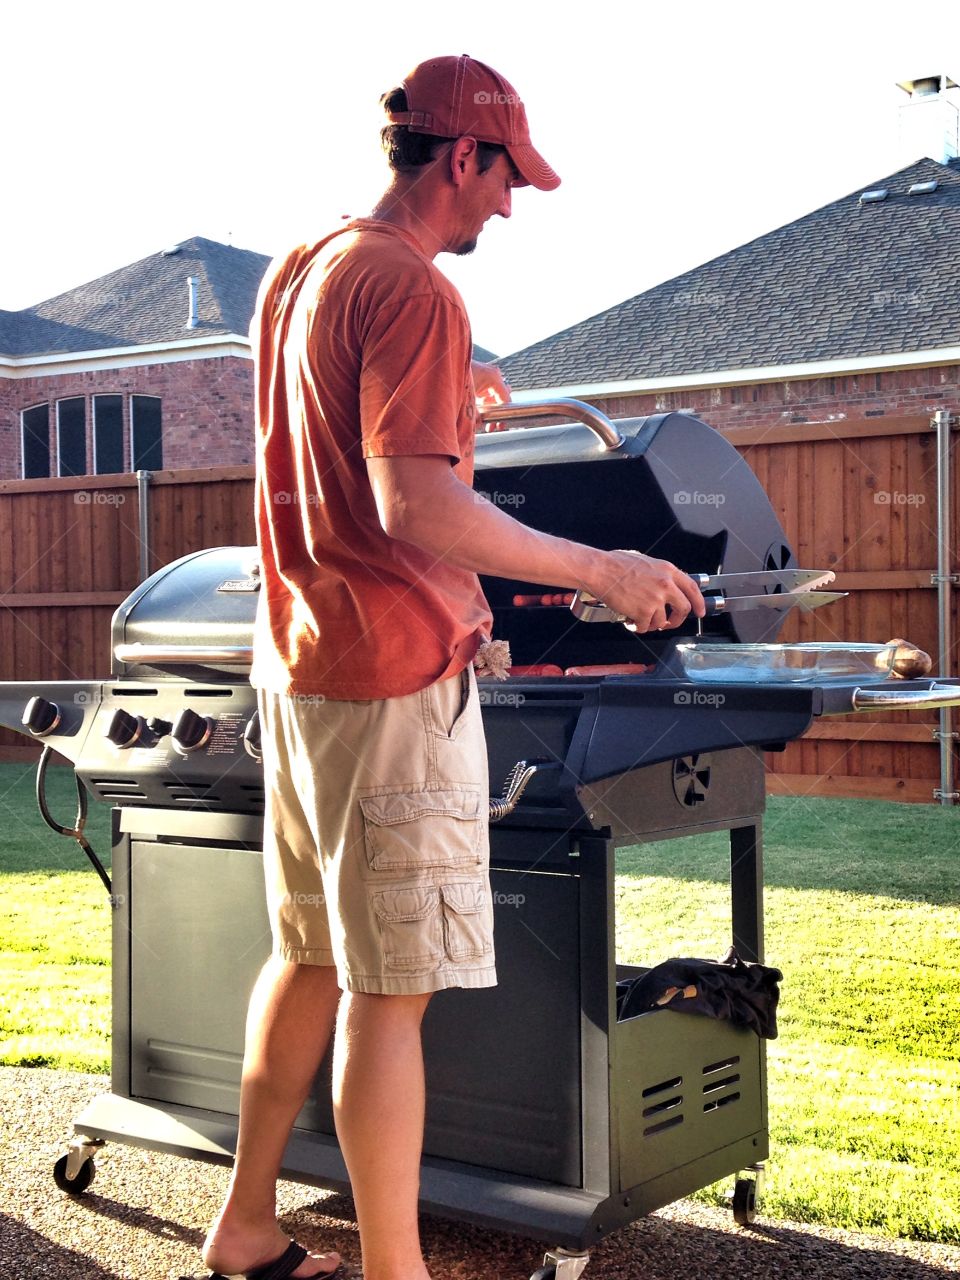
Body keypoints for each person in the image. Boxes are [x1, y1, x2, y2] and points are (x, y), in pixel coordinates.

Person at [197, 54, 704, 1280]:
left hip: (301, 668)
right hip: (387, 680)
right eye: (505, 178)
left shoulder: (307, 267)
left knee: (309, 955)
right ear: (459, 156)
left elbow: (330, 435)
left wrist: (450, 401)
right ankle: (395, 1271)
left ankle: (247, 1223)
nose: (508, 207)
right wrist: (605, 569)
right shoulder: (416, 290)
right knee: (391, 990)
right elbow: (417, 506)